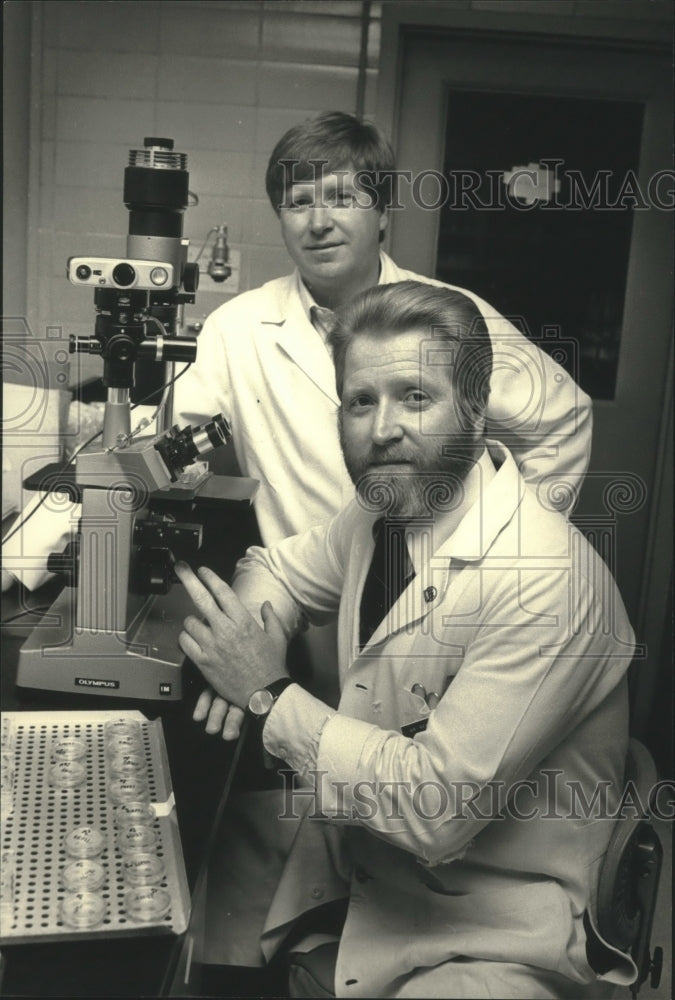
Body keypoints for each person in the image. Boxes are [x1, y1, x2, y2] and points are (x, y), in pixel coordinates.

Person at [2, 112, 591, 721]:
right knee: (318, 756)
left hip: (442, 620)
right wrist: (23, 554)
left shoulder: (445, 315)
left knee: (423, 763)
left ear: (382, 212)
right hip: (299, 616)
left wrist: (501, 554)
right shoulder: (238, 327)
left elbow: (564, 418)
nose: (318, 221)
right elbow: (147, 451)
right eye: (298, 201)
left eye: (341, 197)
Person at [174, 281, 636, 999]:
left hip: (493, 933)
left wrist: (263, 691)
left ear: (476, 409)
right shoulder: (379, 515)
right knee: (171, 905)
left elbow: (435, 811)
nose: (382, 429)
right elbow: (277, 568)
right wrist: (252, 641)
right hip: (374, 869)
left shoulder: (546, 580)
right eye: (360, 402)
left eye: (414, 397)